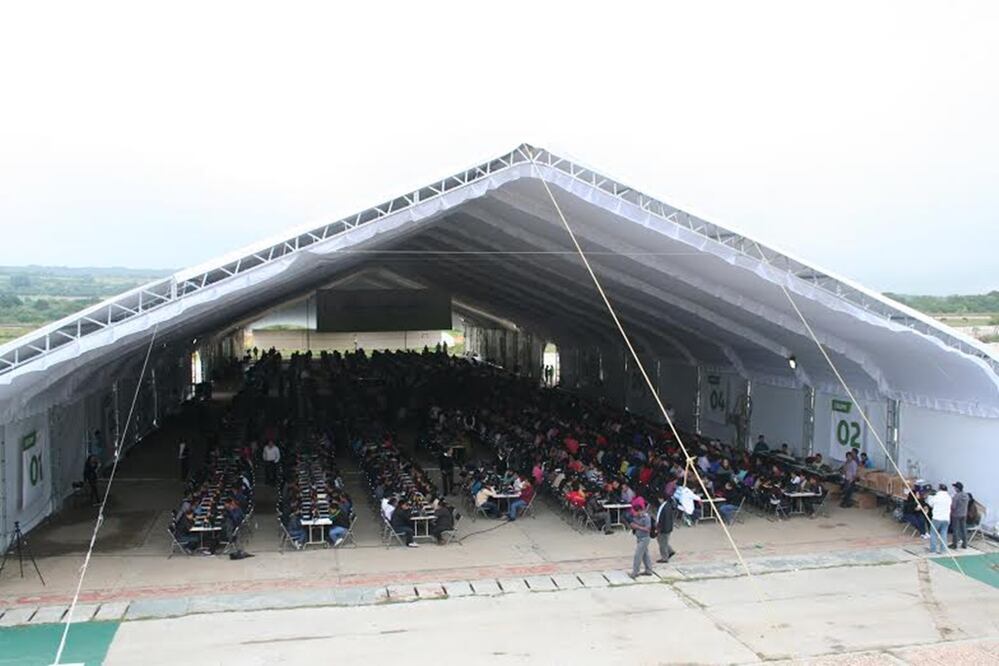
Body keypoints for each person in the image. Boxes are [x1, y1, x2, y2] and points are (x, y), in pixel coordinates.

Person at [627, 498, 654, 579]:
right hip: (638, 537)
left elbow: (648, 529)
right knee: (645, 554)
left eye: (638, 511)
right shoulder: (636, 517)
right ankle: (648, 570)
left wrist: (637, 527)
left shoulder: (646, 517)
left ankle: (635, 572)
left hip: (645, 538)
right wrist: (632, 526)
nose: (637, 513)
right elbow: (633, 523)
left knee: (638, 555)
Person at [925, 483, 952, 555]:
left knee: (933, 534)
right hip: (946, 518)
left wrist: (929, 497)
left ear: (939, 489)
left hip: (937, 518)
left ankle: (933, 550)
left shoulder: (937, 497)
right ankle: (943, 550)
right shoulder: (949, 497)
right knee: (944, 534)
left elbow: (930, 504)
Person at [655, 494, 676, 563]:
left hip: (664, 528)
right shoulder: (665, 506)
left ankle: (664, 557)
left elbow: (666, 519)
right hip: (663, 527)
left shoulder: (666, 507)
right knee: (662, 541)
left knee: (662, 543)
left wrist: (661, 528)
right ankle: (670, 550)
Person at [949, 482, 970, 550]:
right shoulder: (966, 495)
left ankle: (955, 544)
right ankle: (965, 544)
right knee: (963, 529)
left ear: (957, 488)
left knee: (955, 529)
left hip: (956, 515)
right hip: (964, 514)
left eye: (955, 487)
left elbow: (953, 506)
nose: (954, 488)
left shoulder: (956, 496)